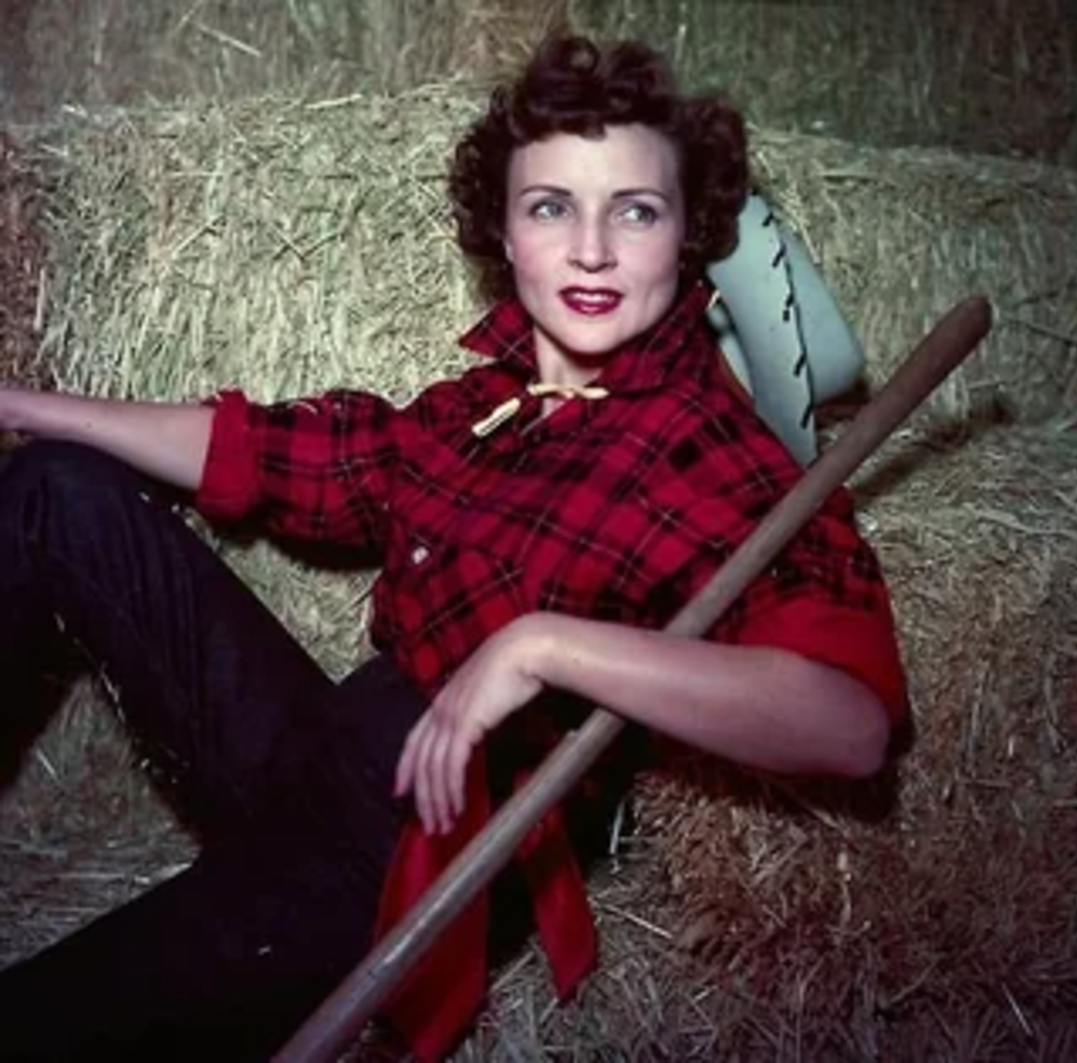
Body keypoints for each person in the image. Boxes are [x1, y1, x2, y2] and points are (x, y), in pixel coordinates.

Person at [0, 33, 907, 1062]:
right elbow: (288, 454)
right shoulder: (489, 403)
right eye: (551, 206)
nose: (593, 249)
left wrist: (542, 647)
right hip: (328, 751)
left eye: (636, 210)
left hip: (420, 860)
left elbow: (848, 726)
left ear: (689, 232)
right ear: (505, 234)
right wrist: (23, 403)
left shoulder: (713, 456)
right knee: (56, 489)